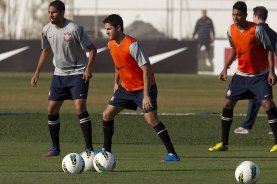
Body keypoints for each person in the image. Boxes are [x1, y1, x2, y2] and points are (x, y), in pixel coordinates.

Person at [99, 14, 179, 162]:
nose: (107, 32)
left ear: (118, 28)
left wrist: (147, 95)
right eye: (106, 29)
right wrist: (116, 83)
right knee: (107, 114)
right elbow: (118, 65)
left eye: (109, 29)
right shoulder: (111, 44)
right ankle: (106, 150)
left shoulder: (132, 45)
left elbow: (147, 69)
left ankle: (172, 154)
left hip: (143, 88)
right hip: (126, 88)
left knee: (151, 119)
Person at [208, 1, 277, 152]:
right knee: (227, 104)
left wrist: (271, 72)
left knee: (267, 104)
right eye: (233, 14)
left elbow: (269, 49)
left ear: (246, 15)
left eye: (239, 15)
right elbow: (235, 49)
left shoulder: (256, 30)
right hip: (241, 76)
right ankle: (223, 143)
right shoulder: (231, 30)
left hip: (260, 76)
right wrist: (225, 68)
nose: (235, 17)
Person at [30, 0, 97, 157]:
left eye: (53, 12)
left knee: (80, 108)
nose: (50, 15)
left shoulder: (75, 28)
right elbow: (45, 51)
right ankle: (55, 148)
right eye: (49, 12)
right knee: (51, 109)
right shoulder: (46, 30)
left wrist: (88, 68)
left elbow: (92, 49)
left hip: (78, 73)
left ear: (61, 13)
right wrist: (36, 72)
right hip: (59, 74)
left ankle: (88, 148)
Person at [234, 6, 277, 135]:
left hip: (258, 73)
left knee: (262, 100)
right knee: (263, 100)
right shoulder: (273, 33)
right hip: (267, 72)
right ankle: (249, 125)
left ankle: (247, 126)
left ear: (256, 16)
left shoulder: (255, 30)